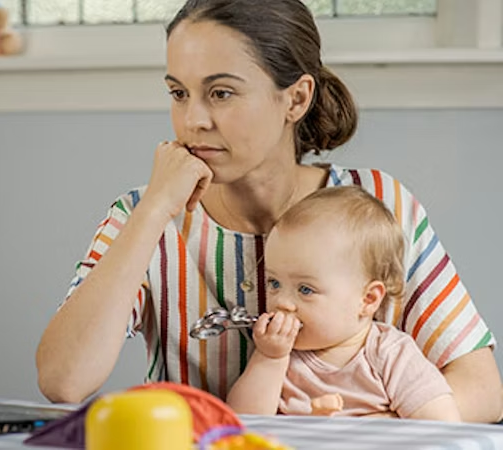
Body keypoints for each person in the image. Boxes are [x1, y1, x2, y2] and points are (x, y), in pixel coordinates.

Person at [35, 0, 503, 422]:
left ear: (296, 98)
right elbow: (63, 381)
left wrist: (348, 434)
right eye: (179, 93)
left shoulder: (379, 201)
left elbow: (483, 389)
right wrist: (156, 208)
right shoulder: (140, 215)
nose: (193, 120)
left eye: (221, 93)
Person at [226, 186, 461, 421]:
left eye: (305, 289)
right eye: (274, 283)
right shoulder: (281, 354)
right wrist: (269, 359)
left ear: (367, 300)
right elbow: (242, 422)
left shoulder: (391, 354)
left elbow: (442, 424)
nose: (282, 303)